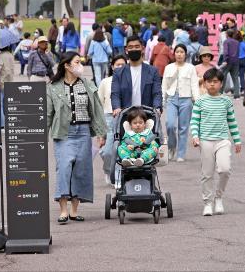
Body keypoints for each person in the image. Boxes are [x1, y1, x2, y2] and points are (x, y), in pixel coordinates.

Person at [46, 52, 108, 224]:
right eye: (77, 62)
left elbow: (96, 110)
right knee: (64, 168)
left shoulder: (88, 84)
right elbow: (48, 113)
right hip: (64, 133)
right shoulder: (53, 87)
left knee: (81, 170)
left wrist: (101, 133)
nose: (80, 65)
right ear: (67, 65)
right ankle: (63, 211)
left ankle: (74, 211)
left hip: (83, 132)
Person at [191, 67, 242, 216]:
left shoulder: (226, 101)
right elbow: (195, 121)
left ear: (221, 83)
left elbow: (232, 121)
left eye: (215, 81)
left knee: (225, 170)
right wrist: (195, 136)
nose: (212, 84)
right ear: (204, 84)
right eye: (209, 82)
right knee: (207, 174)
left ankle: (218, 197)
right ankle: (208, 202)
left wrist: (237, 140)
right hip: (205, 141)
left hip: (222, 140)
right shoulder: (200, 101)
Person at [162, 44, 201, 162]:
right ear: (174, 54)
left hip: (186, 99)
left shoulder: (190, 68)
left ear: (185, 54)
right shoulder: (168, 67)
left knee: (183, 128)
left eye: (182, 52)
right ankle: (172, 147)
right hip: (172, 98)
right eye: (177, 52)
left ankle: (181, 153)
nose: (179, 54)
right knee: (170, 124)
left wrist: (197, 100)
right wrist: (162, 99)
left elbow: (194, 85)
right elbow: (164, 84)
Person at [110, 35, 163, 115]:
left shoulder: (153, 71)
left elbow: (157, 93)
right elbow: (115, 93)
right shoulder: (118, 72)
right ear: (126, 50)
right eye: (130, 47)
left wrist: (157, 107)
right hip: (126, 115)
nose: (134, 49)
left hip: (147, 114)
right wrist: (116, 107)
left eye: (137, 46)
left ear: (142, 49)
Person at [98, 55, 126, 184]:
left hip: (126, 117)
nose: (120, 67)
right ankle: (108, 170)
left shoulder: (129, 81)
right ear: (112, 66)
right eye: (117, 64)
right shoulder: (105, 82)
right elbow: (99, 103)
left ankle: (118, 176)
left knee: (122, 149)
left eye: (123, 64)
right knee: (107, 152)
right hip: (109, 117)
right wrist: (100, 133)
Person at [222, 29, 241, 99]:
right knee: (235, 78)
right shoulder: (237, 42)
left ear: (227, 34)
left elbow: (225, 52)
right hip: (236, 61)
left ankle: (220, 92)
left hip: (228, 61)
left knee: (223, 77)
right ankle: (236, 94)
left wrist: (225, 60)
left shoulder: (226, 42)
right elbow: (238, 52)